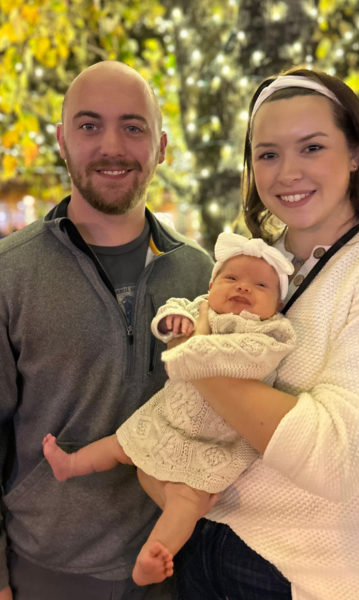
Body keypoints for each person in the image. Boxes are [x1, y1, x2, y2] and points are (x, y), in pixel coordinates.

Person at [172, 66, 359, 600]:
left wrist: (194, 356)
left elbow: (337, 456)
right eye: (268, 154)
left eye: (312, 147)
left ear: (354, 153)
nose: (287, 173)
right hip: (206, 542)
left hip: (311, 575)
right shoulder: (264, 267)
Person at [0, 60, 214, 600]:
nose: (112, 146)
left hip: (175, 570)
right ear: (62, 141)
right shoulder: (8, 274)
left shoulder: (203, 277)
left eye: (133, 127)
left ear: (161, 146)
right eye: (89, 125)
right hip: (45, 576)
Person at [42, 231, 296, 587]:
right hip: (168, 416)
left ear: (279, 305)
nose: (243, 288)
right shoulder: (202, 307)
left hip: (212, 442)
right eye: (232, 278)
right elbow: (171, 312)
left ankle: (153, 555)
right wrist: (174, 323)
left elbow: (249, 363)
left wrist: (198, 343)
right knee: (121, 444)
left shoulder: (271, 333)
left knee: (186, 502)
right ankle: (70, 464)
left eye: (260, 286)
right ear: (211, 284)